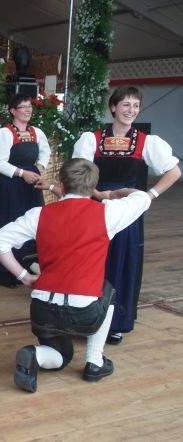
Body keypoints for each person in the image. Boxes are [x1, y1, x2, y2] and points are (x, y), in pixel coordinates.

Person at [0, 158, 152, 392]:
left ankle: (34, 354)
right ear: (92, 186)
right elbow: (143, 197)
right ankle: (95, 361)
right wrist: (114, 194)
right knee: (108, 290)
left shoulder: (39, 214)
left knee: (60, 356)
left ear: (61, 185)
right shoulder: (108, 213)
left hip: (42, 309)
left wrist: (24, 275)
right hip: (84, 312)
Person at [72, 85, 180, 345]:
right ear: (113, 107)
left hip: (128, 213)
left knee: (122, 263)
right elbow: (77, 173)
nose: (131, 110)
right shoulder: (92, 139)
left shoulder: (146, 142)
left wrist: (148, 196)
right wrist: (99, 194)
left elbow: (174, 172)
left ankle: (116, 323)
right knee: (91, 263)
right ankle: (86, 319)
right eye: (126, 104)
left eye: (135, 106)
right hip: (96, 209)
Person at [0, 93, 51, 288]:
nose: (28, 110)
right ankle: (5, 273)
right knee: (9, 222)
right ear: (13, 111)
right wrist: (22, 173)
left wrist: (39, 167)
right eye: (23, 107)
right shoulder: (4, 133)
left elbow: (45, 151)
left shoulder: (37, 132)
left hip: (32, 184)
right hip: (11, 185)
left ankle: (29, 267)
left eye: (30, 106)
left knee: (33, 222)